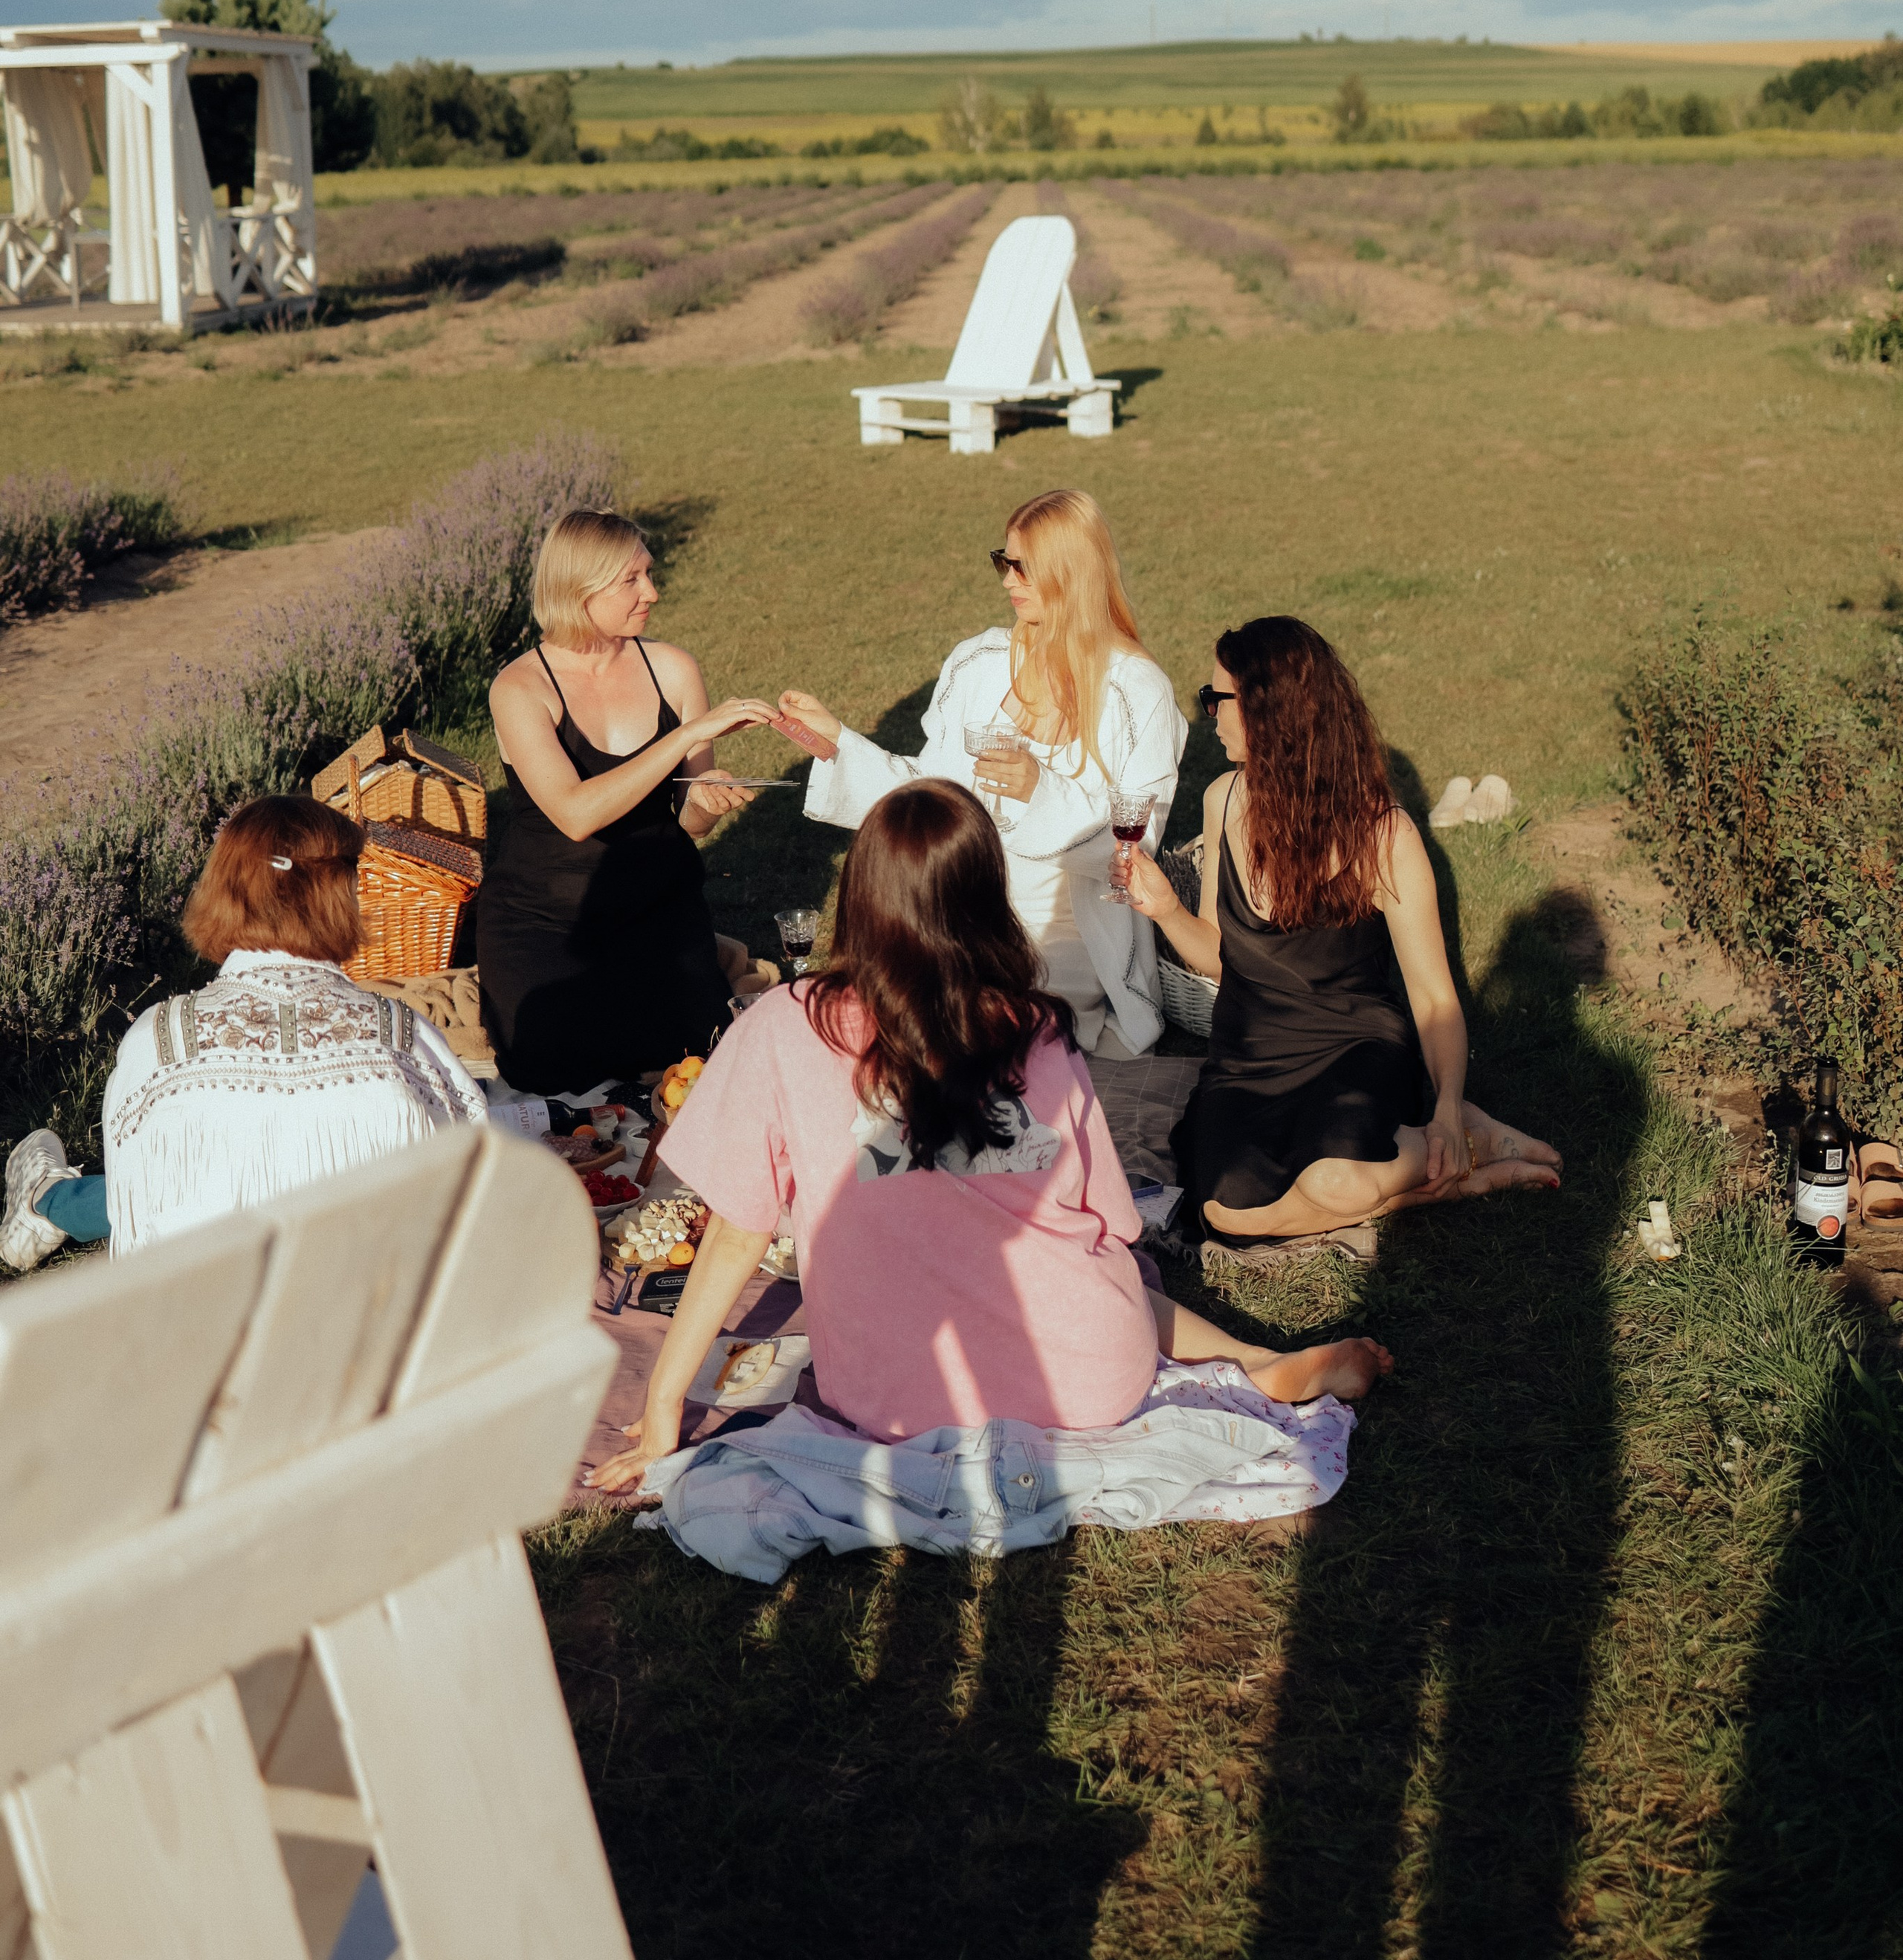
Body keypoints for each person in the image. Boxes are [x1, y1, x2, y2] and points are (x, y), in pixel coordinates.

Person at [593, 780, 1389, 1492]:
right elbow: (1108, 1224)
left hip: (894, 1403)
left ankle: (1258, 1363)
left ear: (858, 894)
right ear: (984, 898)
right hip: (1087, 1379)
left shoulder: (783, 1025)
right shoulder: (1034, 1030)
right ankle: (1256, 1363)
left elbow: (736, 1235)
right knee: (1110, 1271)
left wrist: (664, 1406)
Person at [777, 490, 1187, 1167]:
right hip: (959, 900)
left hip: (1066, 927)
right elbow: (931, 795)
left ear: (1070, 572)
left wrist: (1040, 791)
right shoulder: (979, 663)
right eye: (1004, 560)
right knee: (898, 1016)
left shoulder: (1134, 691)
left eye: (1023, 566)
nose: (1006, 580)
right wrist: (838, 745)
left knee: (963, 1034)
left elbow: (1132, 849)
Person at [1122, 618, 1561, 1247]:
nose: (1208, 712)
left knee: (1334, 1183)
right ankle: (1458, 1168)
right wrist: (1166, 909)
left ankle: (1455, 1133)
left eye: (1217, 698)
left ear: (1269, 713)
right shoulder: (1224, 800)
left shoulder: (1383, 835)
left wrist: (1443, 1104)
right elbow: (1223, 958)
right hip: (1251, 1057)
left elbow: (1434, 996)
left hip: (1353, 1047)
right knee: (1224, 1213)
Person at [0, 795, 487, 1271]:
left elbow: (138, 1209)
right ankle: (50, 1203)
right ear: (340, 895)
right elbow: (476, 1177)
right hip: (373, 1307)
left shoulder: (156, 1040)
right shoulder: (401, 1033)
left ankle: (49, 1203)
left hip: (207, 1311)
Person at [479, 508, 776, 1102]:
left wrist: (707, 801)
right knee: (556, 1085)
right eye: (632, 580)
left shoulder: (672, 669)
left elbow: (689, 820)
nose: (653, 593)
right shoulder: (520, 688)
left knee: (703, 1070)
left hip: (658, 913)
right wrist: (686, 737)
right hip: (548, 924)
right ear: (580, 590)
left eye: (649, 574)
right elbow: (576, 814)